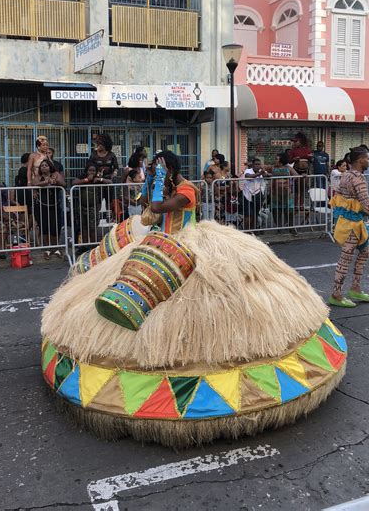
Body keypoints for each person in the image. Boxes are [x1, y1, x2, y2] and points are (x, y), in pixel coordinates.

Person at [42, 168, 349, 449]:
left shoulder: (187, 190)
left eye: (162, 171)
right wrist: (149, 193)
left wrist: (157, 191)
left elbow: (162, 209)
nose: (159, 176)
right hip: (160, 240)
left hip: (188, 242)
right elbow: (149, 214)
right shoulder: (166, 188)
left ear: (172, 173)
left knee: (215, 295)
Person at [328, 146, 369, 308]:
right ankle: (336, 295)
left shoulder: (346, 175)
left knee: (365, 251)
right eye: (367, 158)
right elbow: (368, 206)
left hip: (352, 222)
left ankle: (355, 288)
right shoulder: (358, 179)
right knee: (345, 259)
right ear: (359, 160)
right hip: (351, 225)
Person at [140, 150, 198, 234]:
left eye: (160, 174)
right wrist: (149, 178)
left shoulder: (186, 191)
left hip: (182, 242)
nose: (157, 179)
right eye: (157, 174)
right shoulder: (169, 187)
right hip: (167, 240)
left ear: (170, 170)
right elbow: (143, 200)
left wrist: (160, 177)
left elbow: (156, 208)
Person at [32, 159, 66, 259]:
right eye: (42, 165)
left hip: (54, 204)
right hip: (41, 206)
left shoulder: (55, 174)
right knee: (44, 227)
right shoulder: (38, 177)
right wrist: (45, 182)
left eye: (46, 165)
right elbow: (33, 184)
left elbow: (63, 184)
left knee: (55, 226)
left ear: (50, 167)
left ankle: (56, 247)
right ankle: (47, 248)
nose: (43, 167)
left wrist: (55, 180)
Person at [73, 165, 110, 244]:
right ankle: (85, 246)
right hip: (82, 207)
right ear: (87, 171)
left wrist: (100, 179)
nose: (91, 172)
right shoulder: (83, 178)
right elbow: (74, 182)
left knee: (93, 228)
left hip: (93, 207)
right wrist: (86, 180)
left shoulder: (97, 180)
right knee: (83, 227)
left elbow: (110, 182)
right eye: (90, 170)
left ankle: (93, 246)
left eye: (93, 171)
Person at [271, 152, 297, 230]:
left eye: (276, 159)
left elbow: (296, 175)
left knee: (289, 212)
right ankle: (279, 229)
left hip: (287, 195)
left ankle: (291, 228)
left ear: (281, 160)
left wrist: (303, 175)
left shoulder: (288, 168)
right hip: (275, 195)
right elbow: (262, 167)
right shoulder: (273, 168)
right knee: (276, 212)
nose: (275, 160)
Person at [242, 157, 269, 230]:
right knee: (249, 215)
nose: (257, 166)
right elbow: (248, 177)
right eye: (256, 164)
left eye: (259, 164)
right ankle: (246, 231)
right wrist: (259, 173)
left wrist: (264, 173)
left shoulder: (261, 171)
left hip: (258, 196)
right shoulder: (248, 170)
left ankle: (253, 230)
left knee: (255, 215)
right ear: (252, 165)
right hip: (248, 196)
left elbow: (267, 176)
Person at [288, 133, 313, 208]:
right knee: (296, 189)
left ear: (301, 141)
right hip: (296, 170)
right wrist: (294, 159)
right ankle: (295, 205)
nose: (294, 143)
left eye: (296, 141)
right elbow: (289, 161)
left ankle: (301, 205)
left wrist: (310, 157)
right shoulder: (293, 150)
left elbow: (311, 159)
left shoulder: (307, 149)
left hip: (305, 170)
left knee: (303, 189)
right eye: (294, 142)